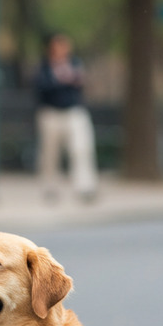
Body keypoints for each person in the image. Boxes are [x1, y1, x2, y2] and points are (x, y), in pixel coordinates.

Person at [34, 32, 99, 201]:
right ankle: (50, 187)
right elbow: (42, 88)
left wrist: (66, 80)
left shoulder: (75, 63)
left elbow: (80, 84)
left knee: (81, 149)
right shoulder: (45, 66)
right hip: (51, 113)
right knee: (50, 153)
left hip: (73, 111)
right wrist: (61, 81)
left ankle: (85, 187)